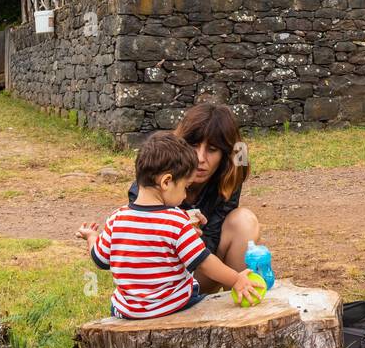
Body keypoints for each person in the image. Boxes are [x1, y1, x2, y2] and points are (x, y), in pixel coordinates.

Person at [78, 131, 259, 319]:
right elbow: (204, 262)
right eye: (184, 188)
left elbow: (100, 260)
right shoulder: (177, 221)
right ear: (166, 182)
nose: (184, 196)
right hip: (172, 307)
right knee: (192, 292)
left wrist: (92, 237)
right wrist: (236, 279)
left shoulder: (116, 218)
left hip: (127, 312)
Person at [126, 102, 262, 294]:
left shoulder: (229, 178)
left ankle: (242, 294)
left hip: (206, 267)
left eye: (212, 149)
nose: (200, 158)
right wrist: (176, 232)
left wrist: (192, 237)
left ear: (225, 154)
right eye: (194, 145)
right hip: (162, 281)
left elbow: (213, 238)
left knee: (244, 220)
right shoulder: (151, 183)